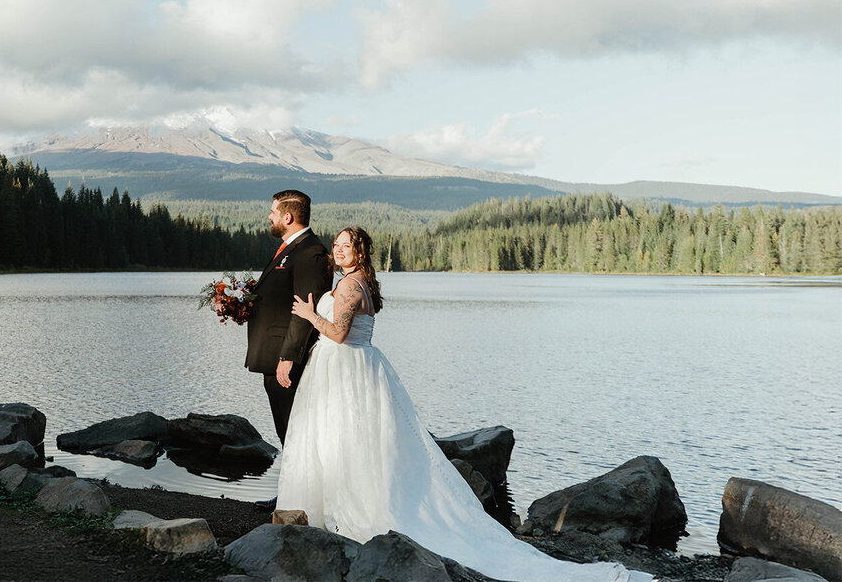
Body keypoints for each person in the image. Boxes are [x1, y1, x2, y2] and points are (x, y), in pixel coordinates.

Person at [277, 227, 652, 582]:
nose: (338, 250)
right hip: (361, 368)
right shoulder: (363, 283)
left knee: (341, 437)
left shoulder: (348, 288)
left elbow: (340, 335)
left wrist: (310, 316)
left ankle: (346, 509)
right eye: (336, 245)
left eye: (346, 245)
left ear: (359, 252)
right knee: (352, 439)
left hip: (344, 367)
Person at [245, 190, 332, 510]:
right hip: (274, 355)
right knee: (288, 430)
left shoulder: (309, 252)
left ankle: (299, 500)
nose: (269, 216)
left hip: (288, 359)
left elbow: (305, 310)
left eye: (272, 211)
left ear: (288, 217)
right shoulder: (289, 249)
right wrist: (241, 304)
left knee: (294, 430)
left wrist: (287, 357)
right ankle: (294, 495)